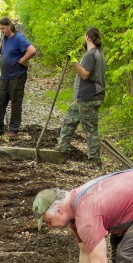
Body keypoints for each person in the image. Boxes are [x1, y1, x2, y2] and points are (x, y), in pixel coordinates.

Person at [57, 27, 107, 169]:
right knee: (70, 118)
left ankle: (95, 161)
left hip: (89, 97)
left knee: (90, 130)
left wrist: (73, 62)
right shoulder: (98, 53)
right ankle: (62, 148)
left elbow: (85, 74)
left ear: (87, 37)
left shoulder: (91, 55)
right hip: (84, 97)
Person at [0, 17, 36, 138]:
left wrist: (22, 60)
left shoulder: (18, 38)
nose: (1, 31)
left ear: (9, 26)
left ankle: (14, 129)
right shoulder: (5, 38)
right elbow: (6, 48)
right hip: (5, 77)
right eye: (0, 29)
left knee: (15, 102)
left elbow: (32, 50)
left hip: (17, 76)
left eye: (3, 28)